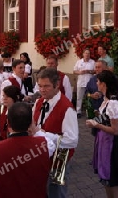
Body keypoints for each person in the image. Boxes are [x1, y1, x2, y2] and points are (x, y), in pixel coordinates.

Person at [0, 102, 56, 197]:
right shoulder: (46, 144)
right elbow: (48, 140)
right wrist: (33, 128)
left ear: (8, 124)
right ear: (31, 123)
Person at [86, 70, 118, 197]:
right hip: (104, 142)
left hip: (112, 147)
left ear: (103, 84)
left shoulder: (113, 103)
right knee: (107, 182)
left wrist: (96, 124)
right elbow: (108, 119)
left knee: (113, 183)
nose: (96, 83)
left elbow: (115, 130)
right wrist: (99, 116)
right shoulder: (106, 100)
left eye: (98, 81)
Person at [32, 68, 79, 198]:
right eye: (40, 86)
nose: (42, 90)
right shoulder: (39, 102)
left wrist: (43, 134)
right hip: (42, 154)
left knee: (57, 192)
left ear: (57, 85)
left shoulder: (67, 108)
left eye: (46, 86)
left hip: (61, 156)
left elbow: (72, 140)